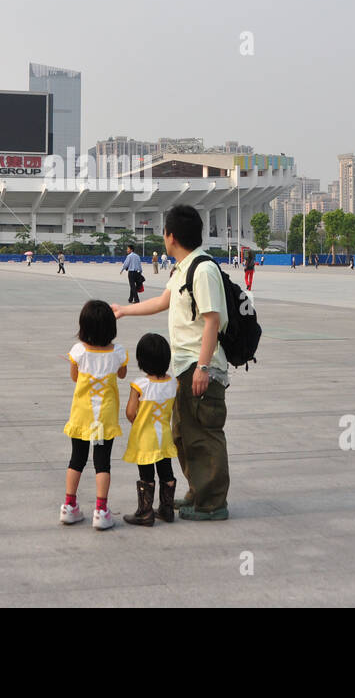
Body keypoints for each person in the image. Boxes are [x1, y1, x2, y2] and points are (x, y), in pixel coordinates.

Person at [113, 204, 230, 521]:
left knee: (204, 435)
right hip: (183, 368)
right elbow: (162, 302)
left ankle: (213, 503)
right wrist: (124, 310)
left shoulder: (202, 270)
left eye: (164, 232)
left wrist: (204, 368)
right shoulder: (183, 268)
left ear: (171, 236)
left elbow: (212, 321)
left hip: (199, 366)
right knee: (183, 434)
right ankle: (197, 493)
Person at [60, 300, 127, 530]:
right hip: (103, 420)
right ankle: (101, 509)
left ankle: (69, 505)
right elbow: (122, 374)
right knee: (102, 463)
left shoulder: (78, 351)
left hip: (82, 416)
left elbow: (74, 377)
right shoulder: (118, 352)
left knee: (76, 459)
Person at [122, 333, 178, 526]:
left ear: (141, 361)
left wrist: (139, 423)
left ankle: (145, 513)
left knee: (146, 475)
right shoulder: (173, 382)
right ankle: (167, 509)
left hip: (145, 439)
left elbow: (130, 412)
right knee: (166, 472)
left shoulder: (140, 385)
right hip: (164, 438)